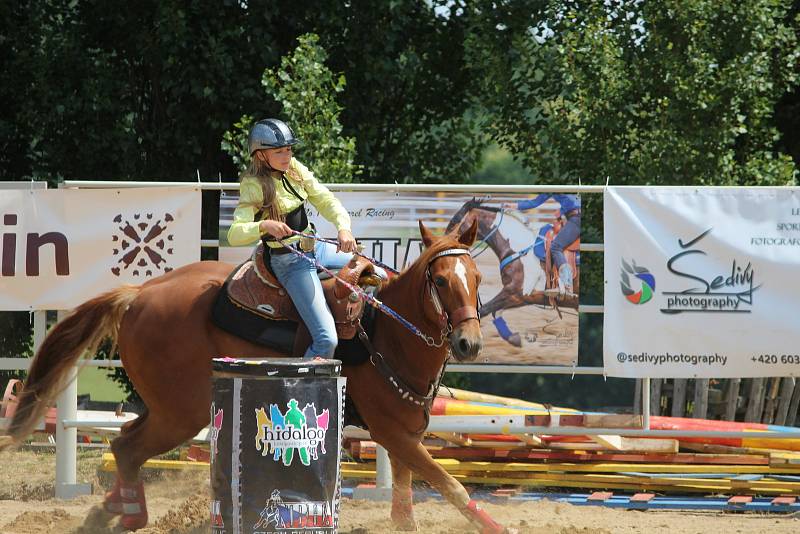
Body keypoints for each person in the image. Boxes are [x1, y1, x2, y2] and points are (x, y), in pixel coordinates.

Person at [227, 118, 357, 359]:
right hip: (291, 263)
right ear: (261, 155)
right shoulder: (253, 185)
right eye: (279, 151)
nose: (287, 155)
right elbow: (234, 234)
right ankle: (299, 390)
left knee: (377, 274)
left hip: (316, 248)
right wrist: (263, 225)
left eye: (288, 149)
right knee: (326, 339)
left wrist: (343, 228)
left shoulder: (295, 168)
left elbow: (325, 199)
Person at [503, 194, 580, 295]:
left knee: (556, 247)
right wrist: (562, 211)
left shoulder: (553, 184)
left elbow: (535, 202)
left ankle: (566, 284)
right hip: (574, 216)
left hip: (576, 218)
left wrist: (514, 206)